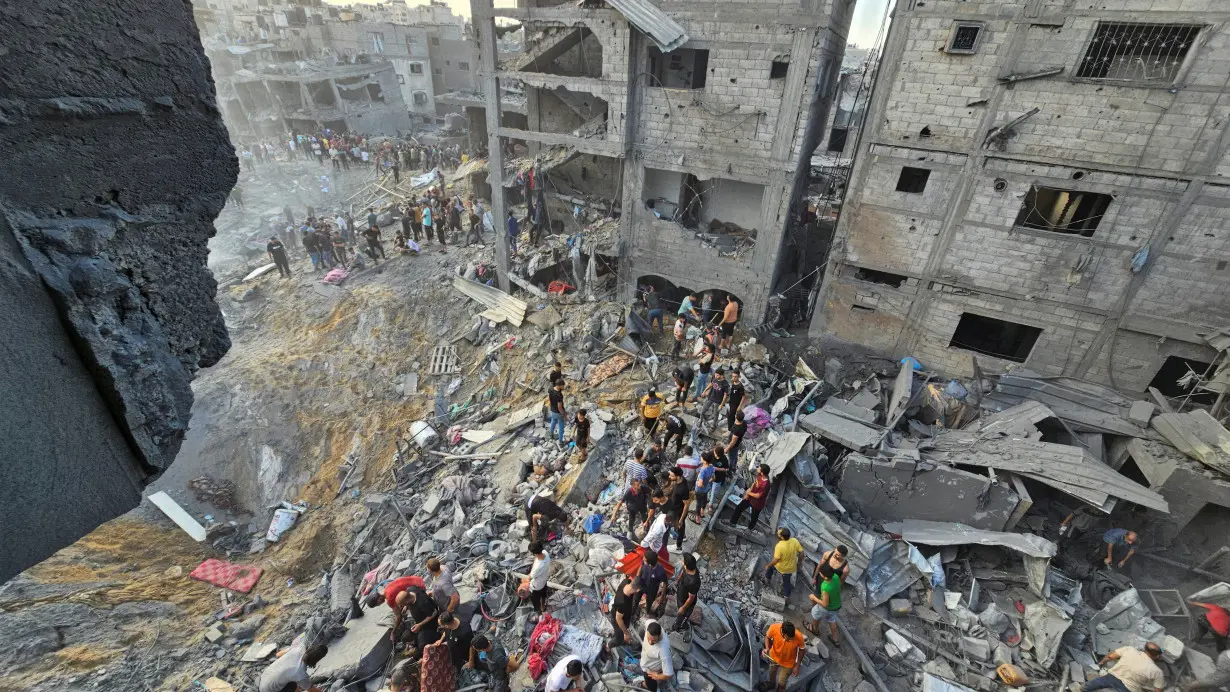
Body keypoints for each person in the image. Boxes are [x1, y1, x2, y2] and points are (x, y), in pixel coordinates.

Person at [257, 635, 328, 692]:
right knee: (293, 685)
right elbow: (312, 690)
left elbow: (278, 655)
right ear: (316, 660)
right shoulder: (300, 673)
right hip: (268, 690)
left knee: (292, 679)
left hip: (264, 677)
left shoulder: (298, 649)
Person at [1083, 643, 1165, 692]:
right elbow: (1158, 690)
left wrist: (1101, 663)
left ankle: (1082, 689)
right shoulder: (1157, 671)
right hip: (1130, 689)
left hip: (1112, 677)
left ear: (1145, 649)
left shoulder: (1129, 649)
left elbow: (1110, 657)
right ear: (1157, 656)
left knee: (1093, 684)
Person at [389, 581, 438, 652]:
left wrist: (419, 625)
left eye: (403, 604)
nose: (401, 606)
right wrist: (406, 607)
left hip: (430, 623)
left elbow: (434, 613)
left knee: (422, 646)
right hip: (419, 620)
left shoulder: (422, 603)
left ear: (407, 601)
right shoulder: (411, 589)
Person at [763, 527, 805, 601]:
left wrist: (768, 565)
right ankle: (787, 597)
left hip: (781, 567)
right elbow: (801, 552)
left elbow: (776, 560)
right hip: (791, 568)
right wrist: (799, 562)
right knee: (787, 582)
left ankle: (767, 579)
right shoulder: (794, 541)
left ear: (782, 537)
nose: (777, 533)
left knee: (771, 567)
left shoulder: (779, 546)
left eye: (778, 533)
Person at [763, 621, 805, 692]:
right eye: (788, 639)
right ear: (782, 633)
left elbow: (802, 649)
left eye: (792, 638)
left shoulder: (799, 636)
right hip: (774, 657)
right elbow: (767, 637)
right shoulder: (774, 628)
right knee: (772, 672)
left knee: (782, 681)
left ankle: (780, 689)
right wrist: (767, 648)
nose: (790, 640)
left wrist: (797, 666)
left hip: (788, 662)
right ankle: (772, 684)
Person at [728, 464, 770, 530]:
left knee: (754, 517)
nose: (757, 469)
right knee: (739, 508)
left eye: (759, 468)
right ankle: (732, 522)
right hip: (750, 498)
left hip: (757, 503)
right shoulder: (760, 475)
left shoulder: (766, 484)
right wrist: (748, 493)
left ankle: (750, 529)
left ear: (762, 472)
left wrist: (749, 493)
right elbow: (754, 483)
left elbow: (758, 496)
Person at [639, 620, 675, 691]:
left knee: (652, 687)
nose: (650, 642)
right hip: (645, 662)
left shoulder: (663, 650)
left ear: (659, 635)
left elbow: (669, 674)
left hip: (650, 671)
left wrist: (657, 676)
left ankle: (646, 686)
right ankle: (645, 684)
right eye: (648, 638)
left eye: (654, 640)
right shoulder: (650, 623)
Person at [809, 571, 842, 648]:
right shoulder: (836, 576)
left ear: (825, 576)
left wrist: (813, 597)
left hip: (826, 608)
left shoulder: (825, 586)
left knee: (815, 614)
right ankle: (835, 639)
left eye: (821, 572)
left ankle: (815, 630)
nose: (820, 573)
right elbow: (839, 587)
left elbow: (825, 604)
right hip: (836, 605)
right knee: (831, 619)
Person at [672, 553, 701, 631]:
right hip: (681, 595)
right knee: (679, 611)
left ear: (686, 565)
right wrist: (678, 580)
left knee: (682, 615)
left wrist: (683, 608)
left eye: (683, 561)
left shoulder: (693, 582)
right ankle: (679, 621)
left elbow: (691, 598)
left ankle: (679, 626)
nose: (681, 561)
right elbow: (683, 572)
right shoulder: (689, 568)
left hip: (686, 602)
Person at [665, 467, 691, 551]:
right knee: (680, 527)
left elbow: (686, 505)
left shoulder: (683, 489)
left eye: (671, 475)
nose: (669, 477)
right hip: (676, 509)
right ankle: (682, 536)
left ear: (678, 476)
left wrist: (681, 519)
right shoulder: (679, 480)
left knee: (680, 527)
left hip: (679, 512)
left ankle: (678, 547)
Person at [609, 579, 640, 647]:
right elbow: (618, 619)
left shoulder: (626, 581)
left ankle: (622, 637)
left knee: (622, 631)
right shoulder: (622, 602)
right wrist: (626, 633)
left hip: (623, 615)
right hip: (617, 620)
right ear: (638, 590)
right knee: (619, 640)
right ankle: (608, 647)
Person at [637, 551, 669, 618]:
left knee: (649, 604)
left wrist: (662, 596)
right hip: (641, 585)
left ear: (650, 563)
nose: (643, 559)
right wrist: (637, 579)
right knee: (635, 600)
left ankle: (647, 613)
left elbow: (665, 583)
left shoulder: (660, 571)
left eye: (645, 559)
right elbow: (641, 567)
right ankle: (635, 611)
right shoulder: (644, 563)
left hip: (652, 591)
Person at [528, 541, 551, 613]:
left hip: (536, 586)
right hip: (544, 581)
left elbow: (530, 577)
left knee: (535, 600)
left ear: (534, 553)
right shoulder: (545, 553)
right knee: (543, 595)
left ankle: (538, 611)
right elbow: (536, 558)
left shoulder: (538, 566)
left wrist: (530, 574)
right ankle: (543, 607)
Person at [694, 453, 716, 522]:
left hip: (700, 490)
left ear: (705, 461)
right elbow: (714, 477)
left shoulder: (703, 470)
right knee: (704, 500)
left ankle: (697, 518)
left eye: (702, 458)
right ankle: (702, 513)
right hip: (706, 489)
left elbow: (700, 484)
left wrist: (699, 483)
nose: (701, 458)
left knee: (698, 503)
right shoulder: (712, 467)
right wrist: (708, 483)